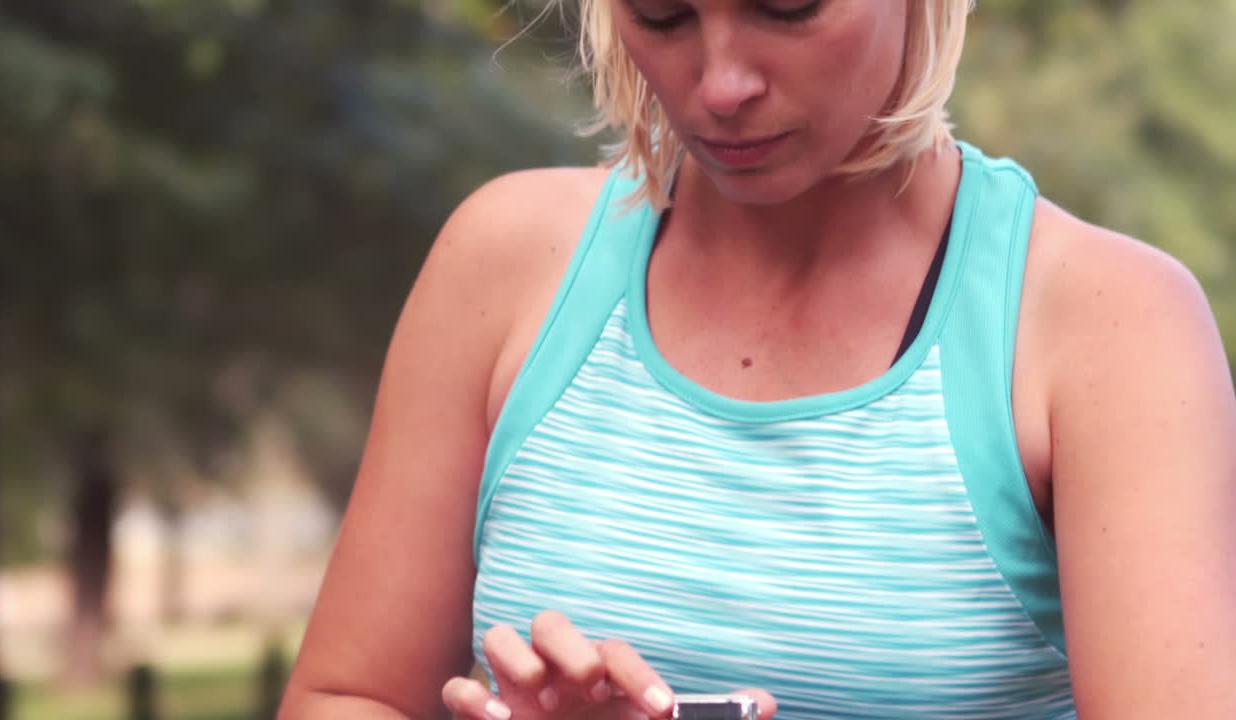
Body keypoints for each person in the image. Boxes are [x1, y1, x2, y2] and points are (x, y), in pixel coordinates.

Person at [278, 1, 1236, 718]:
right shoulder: (505, 261)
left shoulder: (1109, 328)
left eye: (787, 5)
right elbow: (347, 695)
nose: (723, 84)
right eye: (663, 14)